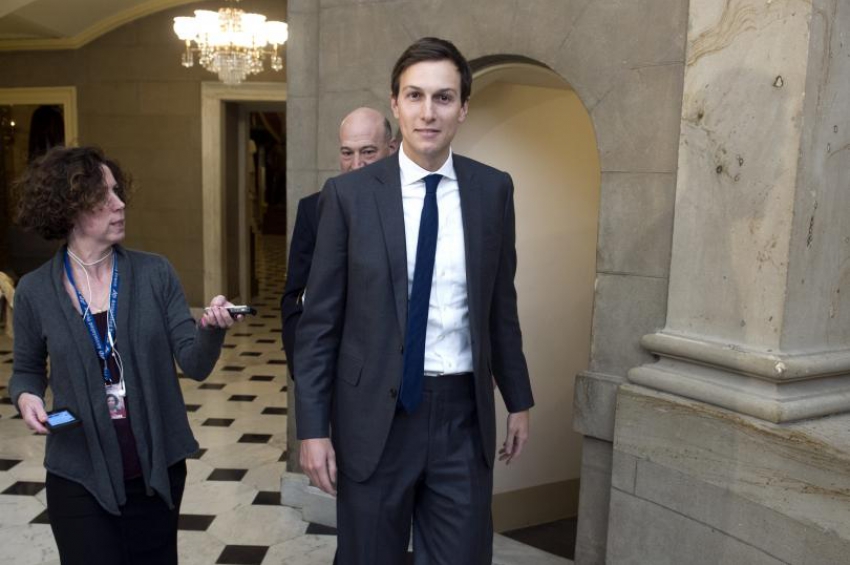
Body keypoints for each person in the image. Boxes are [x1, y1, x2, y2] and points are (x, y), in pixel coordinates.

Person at [295, 37, 534, 564]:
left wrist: (518, 398)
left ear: (463, 108)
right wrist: (312, 429)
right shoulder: (349, 197)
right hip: (373, 417)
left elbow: (501, 306)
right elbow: (319, 326)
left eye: (443, 98)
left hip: (462, 417)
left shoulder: (492, 190)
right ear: (396, 104)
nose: (429, 112)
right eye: (415, 96)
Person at [10, 146, 242, 565]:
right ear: (70, 207)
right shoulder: (35, 291)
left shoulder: (155, 273)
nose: (119, 204)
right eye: (103, 196)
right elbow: (26, 369)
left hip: (155, 468)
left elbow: (195, 364)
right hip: (78, 468)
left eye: (117, 192)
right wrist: (26, 397)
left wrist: (209, 329)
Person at [280, 107, 395, 377]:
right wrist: (303, 368)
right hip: (334, 370)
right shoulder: (313, 209)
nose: (356, 164)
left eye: (368, 152)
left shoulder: (411, 207)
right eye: (347, 153)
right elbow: (295, 297)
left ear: (391, 149)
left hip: (393, 371)